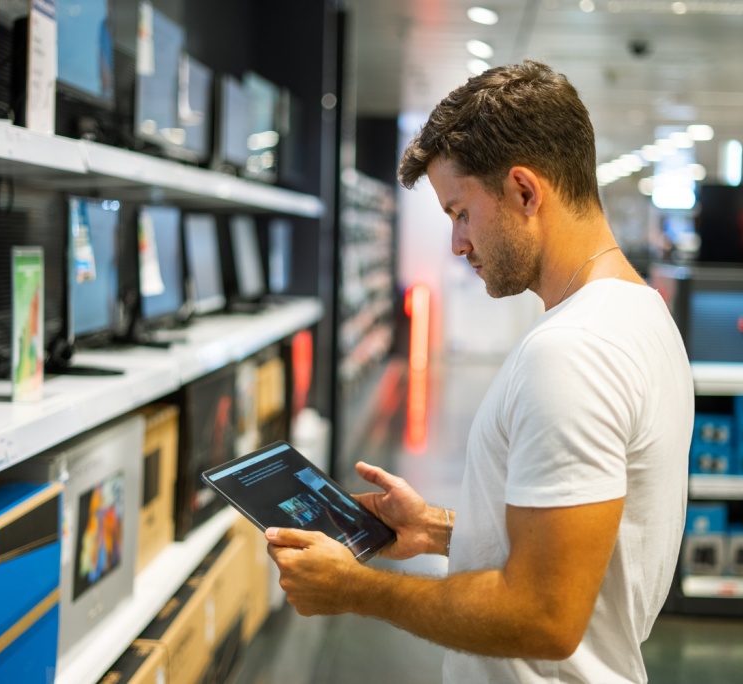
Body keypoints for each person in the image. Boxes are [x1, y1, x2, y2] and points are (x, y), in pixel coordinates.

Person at [265, 60, 694, 683]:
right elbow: (586, 540)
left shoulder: (573, 351)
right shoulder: (640, 314)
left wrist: (354, 588)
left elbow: (543, 617)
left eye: (461, 212)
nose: (457, 244)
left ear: (524, 191)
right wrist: (437, 529)